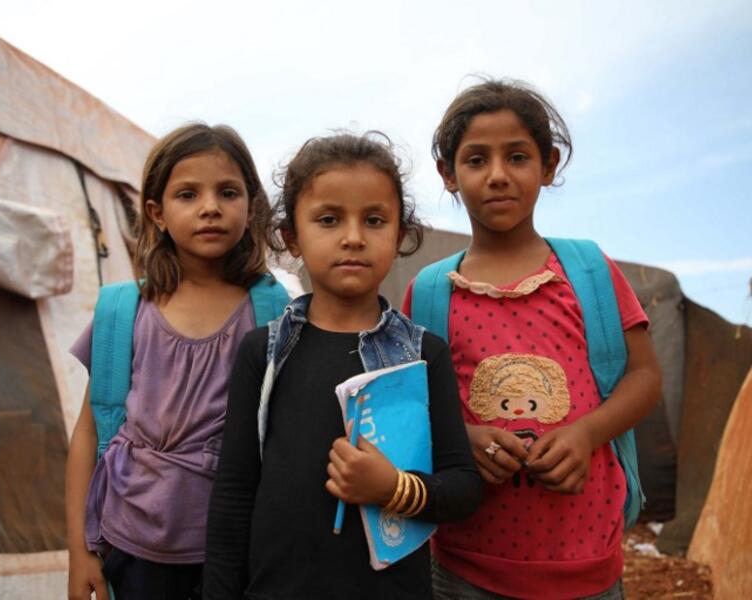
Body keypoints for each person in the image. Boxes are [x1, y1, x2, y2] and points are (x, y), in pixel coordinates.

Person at [402, 79, 662, 600]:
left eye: (517, 157)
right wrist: (464, 440)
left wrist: (587, 435)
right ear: (448, 174)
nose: (498, 175)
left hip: (587, 565)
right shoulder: (430, 292)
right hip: (464, 568)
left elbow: (645, 376)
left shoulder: (587, 270)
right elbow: (414, 405)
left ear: (548, 165)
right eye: (476, 160)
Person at [203, 132, 482, 599]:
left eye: (374, 220)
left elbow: (464, 489)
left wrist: (392, 488)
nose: (353, 237)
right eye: (329, 219)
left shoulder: (423, 355)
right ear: (291, 236)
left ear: (399, 236)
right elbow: (234, 492)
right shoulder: (264, 354)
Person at [65, 123, 288, 600]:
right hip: (130, 540)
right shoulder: (125, 312)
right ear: (157, 213)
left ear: (250, 207)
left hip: (235, 545)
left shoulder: (272, 310)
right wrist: (78, 552)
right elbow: (88, 431)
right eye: (188, 194)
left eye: (227, 192)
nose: (210, 207)